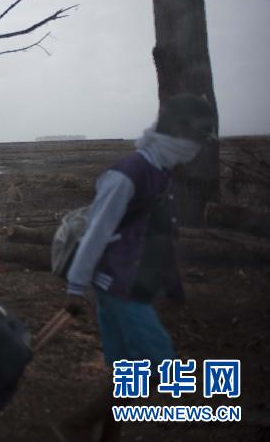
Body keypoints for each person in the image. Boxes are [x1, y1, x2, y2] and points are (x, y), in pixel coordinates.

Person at [52, 93, 216, 442]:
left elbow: (160, 237)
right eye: (197, 139)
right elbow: (96, 232)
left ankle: (107, 436)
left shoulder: (161, 173)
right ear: (178, 134)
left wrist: (174, 288)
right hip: (119, 286)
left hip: (134, 282)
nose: (197, 148)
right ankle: (78, 423)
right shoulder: (129, 173)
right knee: (158, 367)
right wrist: (75, 288)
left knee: (128, 372)